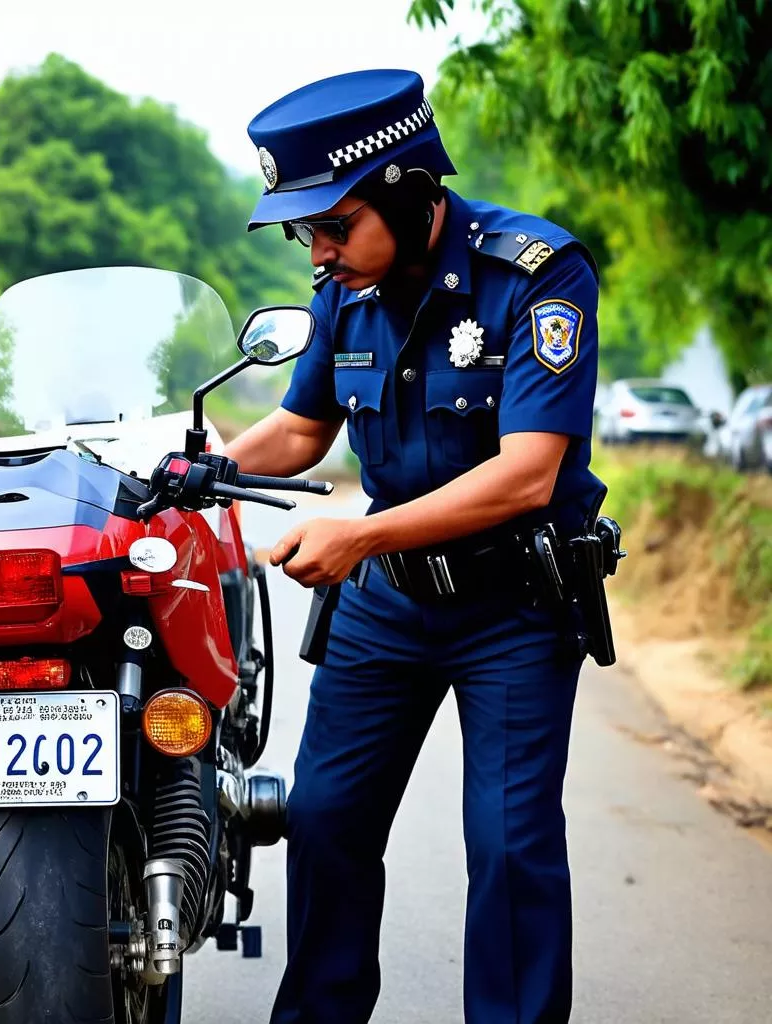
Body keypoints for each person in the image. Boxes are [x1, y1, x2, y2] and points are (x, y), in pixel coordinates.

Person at [223, 69, 610, 1024]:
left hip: (514, 605)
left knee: (509, 843)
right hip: (386, 606)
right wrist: (175, 472)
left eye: (335, 226)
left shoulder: (537, 274)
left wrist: (358, 534)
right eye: (301, 233)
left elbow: (526, 472)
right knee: (322, 820)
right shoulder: (344, 292)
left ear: (406, 189)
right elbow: (298, 430)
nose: (317, 253)